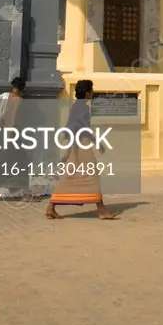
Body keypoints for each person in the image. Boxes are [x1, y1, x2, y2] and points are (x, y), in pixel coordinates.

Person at [45, 79, 117, 221]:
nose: (93, 92)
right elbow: (81, 128)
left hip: (77, 144)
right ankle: (101, 210)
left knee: (71, 175)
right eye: (91, 89)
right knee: (92, 175)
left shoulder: (77, 106)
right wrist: (98, 142)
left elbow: (70, 126)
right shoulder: (83, 107)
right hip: (82, 144)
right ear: (87, 91)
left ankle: (50, 207)